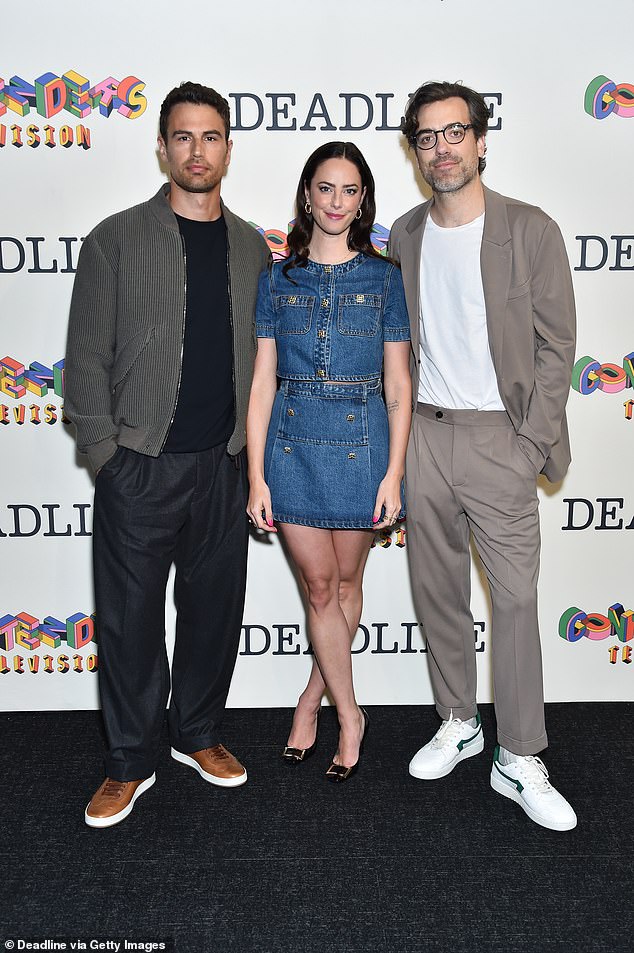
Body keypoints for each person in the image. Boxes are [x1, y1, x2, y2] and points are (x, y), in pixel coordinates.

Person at [65, 82, 270, 827]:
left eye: (211, 136)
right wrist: (107, 455)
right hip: (141, 463)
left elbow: (262, 362)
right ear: (162, 146)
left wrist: (251, 459)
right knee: (128, 620)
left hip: (222, 464)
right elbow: (85, 357)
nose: (197, 150)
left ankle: (197, 732)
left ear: (227, 149)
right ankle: (127, 761)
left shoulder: (252, 245)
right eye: (183, 136)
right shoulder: (115, 239)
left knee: (214, 611)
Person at [389, 81, 577, 830]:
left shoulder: (530, 229)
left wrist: (528, 441)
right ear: (414, 150)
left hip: (502, 436)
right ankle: (460, 720)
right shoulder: (404, 234)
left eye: (454, 132)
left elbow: (558, 347)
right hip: (425, 436)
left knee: (518, 599)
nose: (442, 148)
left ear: (481, 139)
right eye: (427, 136)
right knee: (436, 591)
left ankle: (521, 753)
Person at [247, 142, 411, 781]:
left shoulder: (385, 278)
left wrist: (394, 472)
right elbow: (263, 382)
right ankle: (350, 714)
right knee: (320, 588)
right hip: (290, 448)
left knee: (347, 587)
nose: (337, 202)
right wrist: (257, 473)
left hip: (362, 444)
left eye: (349, 190)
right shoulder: (276, 280)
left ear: (362, 199)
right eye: (325, 188)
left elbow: (397, 386)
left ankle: (310, 699)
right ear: (307, 195)